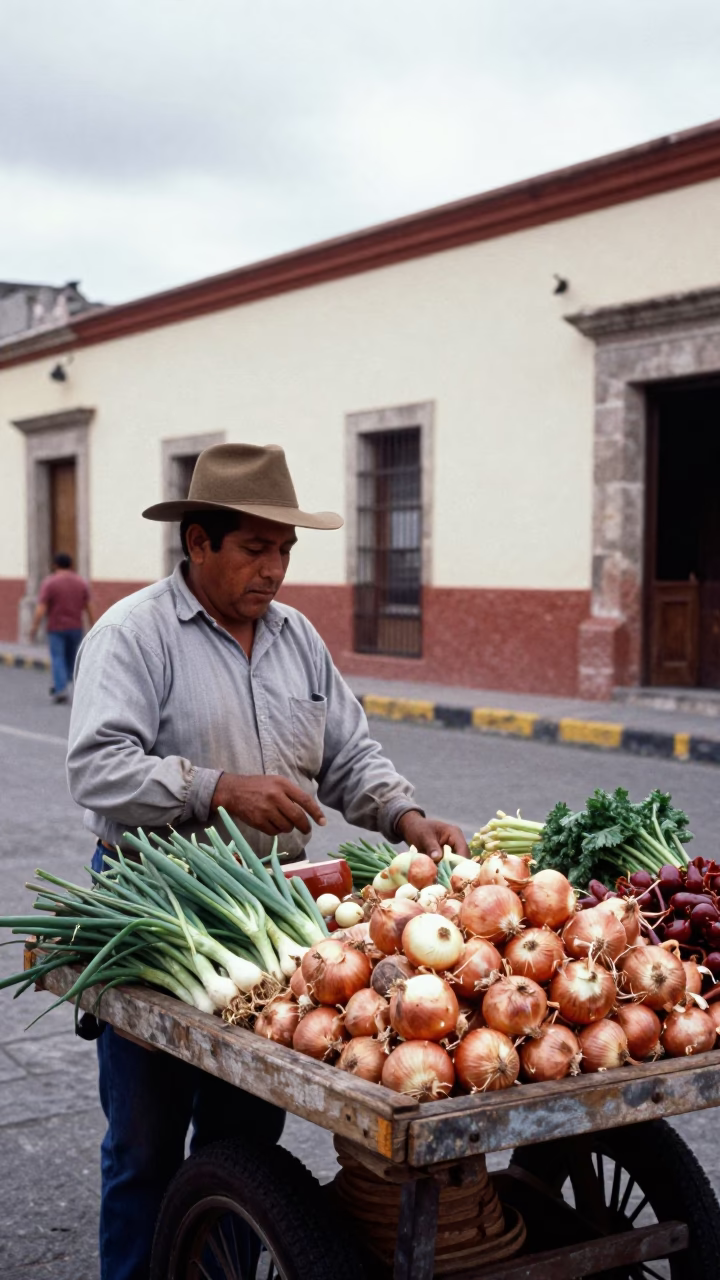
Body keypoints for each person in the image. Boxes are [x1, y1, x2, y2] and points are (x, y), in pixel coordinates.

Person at [66, 442, 469, 1280]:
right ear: (198, 543)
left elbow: (349, 753)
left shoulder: (297, 640)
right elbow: (97, 769)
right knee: (144, 1145)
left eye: (285, 549)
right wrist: (216, 789)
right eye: (255, 548)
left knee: (246, 1139)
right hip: (157, 913)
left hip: (275, 914)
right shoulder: (133, 635)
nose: (275, 568)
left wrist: (407, 814)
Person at [30, 551, 95, 702]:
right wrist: (94, 624)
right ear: (71, 565)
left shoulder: (50, 582)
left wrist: (34, 627)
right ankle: (75, 687)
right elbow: (89, 605)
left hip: (56, 628)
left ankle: (60, 689)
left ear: (55, 565)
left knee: (58, 658)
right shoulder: (80, 582)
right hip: (76, 627)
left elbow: (41, 608)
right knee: (73, 659)